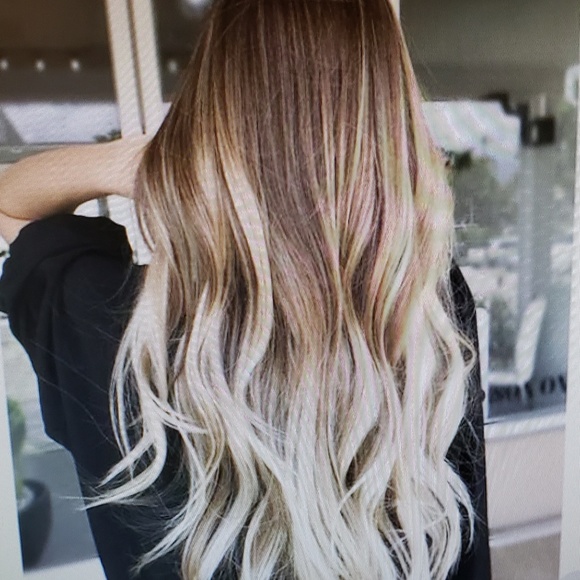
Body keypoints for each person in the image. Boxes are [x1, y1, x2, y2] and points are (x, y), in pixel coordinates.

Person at [0, 0, 491, 578]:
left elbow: (10, 203)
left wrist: (143, 161)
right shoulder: (427, 312)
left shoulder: (108, 323)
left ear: (210, 117)